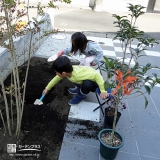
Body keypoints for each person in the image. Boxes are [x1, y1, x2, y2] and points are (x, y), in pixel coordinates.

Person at [43, 56, 108, 105]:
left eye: (56, 72)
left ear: (63, 73)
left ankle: (81, 95)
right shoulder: (68, 72)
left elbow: (97, 74)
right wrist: (47, 88)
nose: (56, 74)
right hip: (83, 78)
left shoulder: (78, 74)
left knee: (86, 83)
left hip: (94, 84)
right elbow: (56, 79)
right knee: (77, 80)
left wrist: (103, 90)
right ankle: (78, 89)